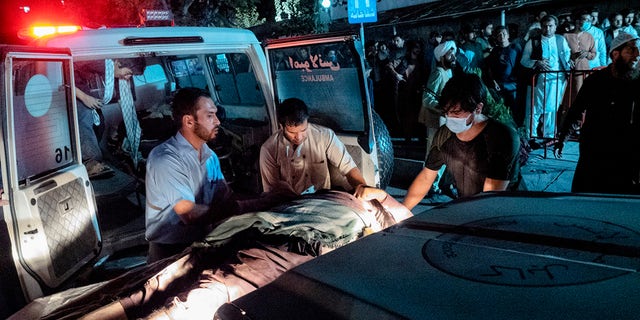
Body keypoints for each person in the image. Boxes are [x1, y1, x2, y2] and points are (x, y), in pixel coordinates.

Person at [404, 73, 520, 210]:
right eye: (446, 112)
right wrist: (403, 209)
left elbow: (489, 197)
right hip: (467, 210)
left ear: (478, 108)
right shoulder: (444, 134)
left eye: (456, 112)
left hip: (502, 214)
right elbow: (426, 177)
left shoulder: (501, 137)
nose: (450, 118)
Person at [145, 87, 232, 262]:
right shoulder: (165, 159)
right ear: (189, 121)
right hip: (169, 252)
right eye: (210, 116)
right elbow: (188, 213)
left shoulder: (210, 157)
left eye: (215, 115)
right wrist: (241, 209)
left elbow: (225, 196)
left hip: (203, 243)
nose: (217, 121)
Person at [554, 32, 640, 195]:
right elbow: (576, 110)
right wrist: (563, 137)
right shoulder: (596, 81)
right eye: (631, 51)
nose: (637, 55)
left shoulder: (637, 82)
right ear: (615, 54)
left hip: (627, 151)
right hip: (596, 149)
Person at [260, 98, 366, 195]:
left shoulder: (325, 135)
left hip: (322, 200)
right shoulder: (269, 149)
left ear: (307, 121)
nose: (299, 137)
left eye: (303, 130)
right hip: (289, 204)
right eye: (292, 133)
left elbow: (349, 168)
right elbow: (271, 191)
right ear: (281, 126)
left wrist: (363, 189)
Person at [74, 57, 146, 178]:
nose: (128, 77)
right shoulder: (97, 61)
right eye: (128, 73)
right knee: (84, 116)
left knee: (100, 122)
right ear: (117, 63)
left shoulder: (111, 72)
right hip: (74, 92)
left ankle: (99, 154)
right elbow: (64, 73)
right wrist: (84, 97)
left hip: (84, 90)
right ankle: (91, 162)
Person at [520, 14, 571, 139]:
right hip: (539, 81)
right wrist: (537, 62)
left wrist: (568, 63)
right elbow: (524, 60)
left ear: (555, 27)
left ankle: (549, 135)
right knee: (535, 108)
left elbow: (567, 55)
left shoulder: (560, 40)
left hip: (557, 80)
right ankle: (531, 135)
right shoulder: (533, 42)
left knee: (552, 108)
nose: (547, 29)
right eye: (545, 26)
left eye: (550, 26)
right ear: (541, 27)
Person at [484, 25, 522, 127]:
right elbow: (490, 69)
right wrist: (494, 82)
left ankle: (517, 132)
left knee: (515, 109)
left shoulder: (515, 48)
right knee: (502, 109)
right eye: (499, 35)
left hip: (513, 85)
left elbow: (521, 66)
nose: (502, 36)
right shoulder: (495, 51)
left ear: (508, 35)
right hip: (499, 85)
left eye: (504, 34)